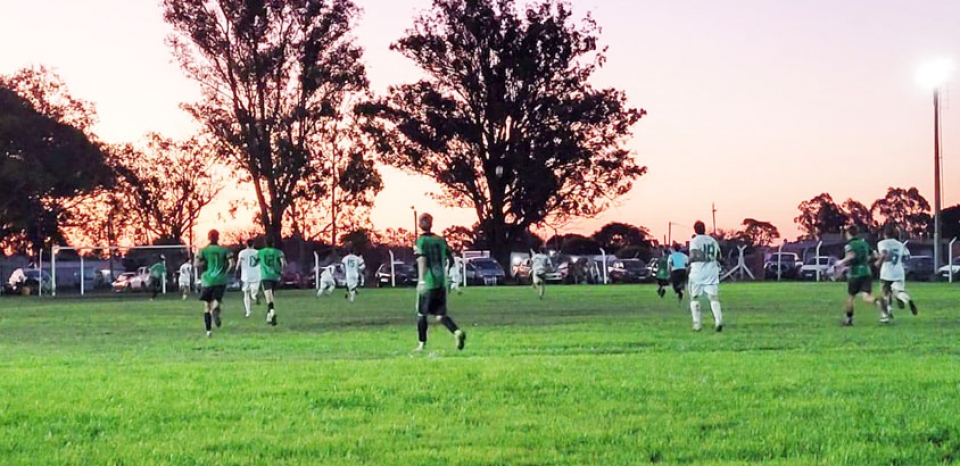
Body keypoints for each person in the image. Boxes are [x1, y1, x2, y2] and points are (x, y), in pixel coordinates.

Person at [414, 212, 466, 352]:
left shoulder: (421, 241)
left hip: (428, 282)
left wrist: (421, 280)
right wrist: (447, 276)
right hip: (441, 282)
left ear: (420, 224)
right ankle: (457, 332)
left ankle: (421, 344)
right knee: (440, 315)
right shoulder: (441, 240)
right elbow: (451, 259)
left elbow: (422, 259)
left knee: (421, 314)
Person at [835, 225, 890, 326]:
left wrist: (841, 262)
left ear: (848, 233)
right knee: (866, 296)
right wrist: (867, 260)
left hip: (855, 273)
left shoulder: (849, 245)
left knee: (851, 297)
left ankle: (848, 320)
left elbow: (851, 255)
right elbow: (875, 254)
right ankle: (877, 302)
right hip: (866, 271)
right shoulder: (864, 243)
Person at [196, 230, 235, 337]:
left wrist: (202, 261)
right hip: (220, 279)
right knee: (217, 300)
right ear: (218, 237)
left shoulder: (204, 250)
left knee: (206, 306)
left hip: (208, 279)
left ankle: (208, 331)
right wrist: (225, 272)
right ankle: (215, 308)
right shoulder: (224, 250)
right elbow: (232, 264)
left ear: (208, 237)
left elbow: (196, 264)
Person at [688, 221, 723, 332]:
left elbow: (694, 255)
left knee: (694, 297)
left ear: (695, 229)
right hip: (711, 272)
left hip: (698, 272)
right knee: (713, 298)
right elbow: (719, 256)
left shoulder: (695, 241)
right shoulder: (712, 240)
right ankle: (718, 320)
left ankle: (697, 324)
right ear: (704, 228)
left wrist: (687, 262)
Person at [876, 223, 918, 316]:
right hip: (898, 271)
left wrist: (877, 263)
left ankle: (885, 315)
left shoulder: (882, 243)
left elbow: (884, 254)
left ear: (884, 234)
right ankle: (906, 299)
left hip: (886, 272)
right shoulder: (899, 244)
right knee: (899, 292)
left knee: (884, 294)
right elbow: (906, 256)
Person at [258, 239, 285, 326]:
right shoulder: (278, 252)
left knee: (268, 297)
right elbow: (283, 263)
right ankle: (269, 316)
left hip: (265, 276)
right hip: (275, 276)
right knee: (271, 296)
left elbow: (254, 262)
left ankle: (272, 312)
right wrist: (281, 271)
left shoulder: (260, 252)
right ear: (273, 243)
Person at [237, 239, 262, 318]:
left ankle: (248, 312)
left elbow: (239, 263)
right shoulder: (258, 252)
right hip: (256, 275)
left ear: (246, 244)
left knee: (246, 293)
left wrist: (236, 270)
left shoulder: (242, 253)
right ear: (253, 244)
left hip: (246, 276)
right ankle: (255, 296)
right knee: (253, 292)